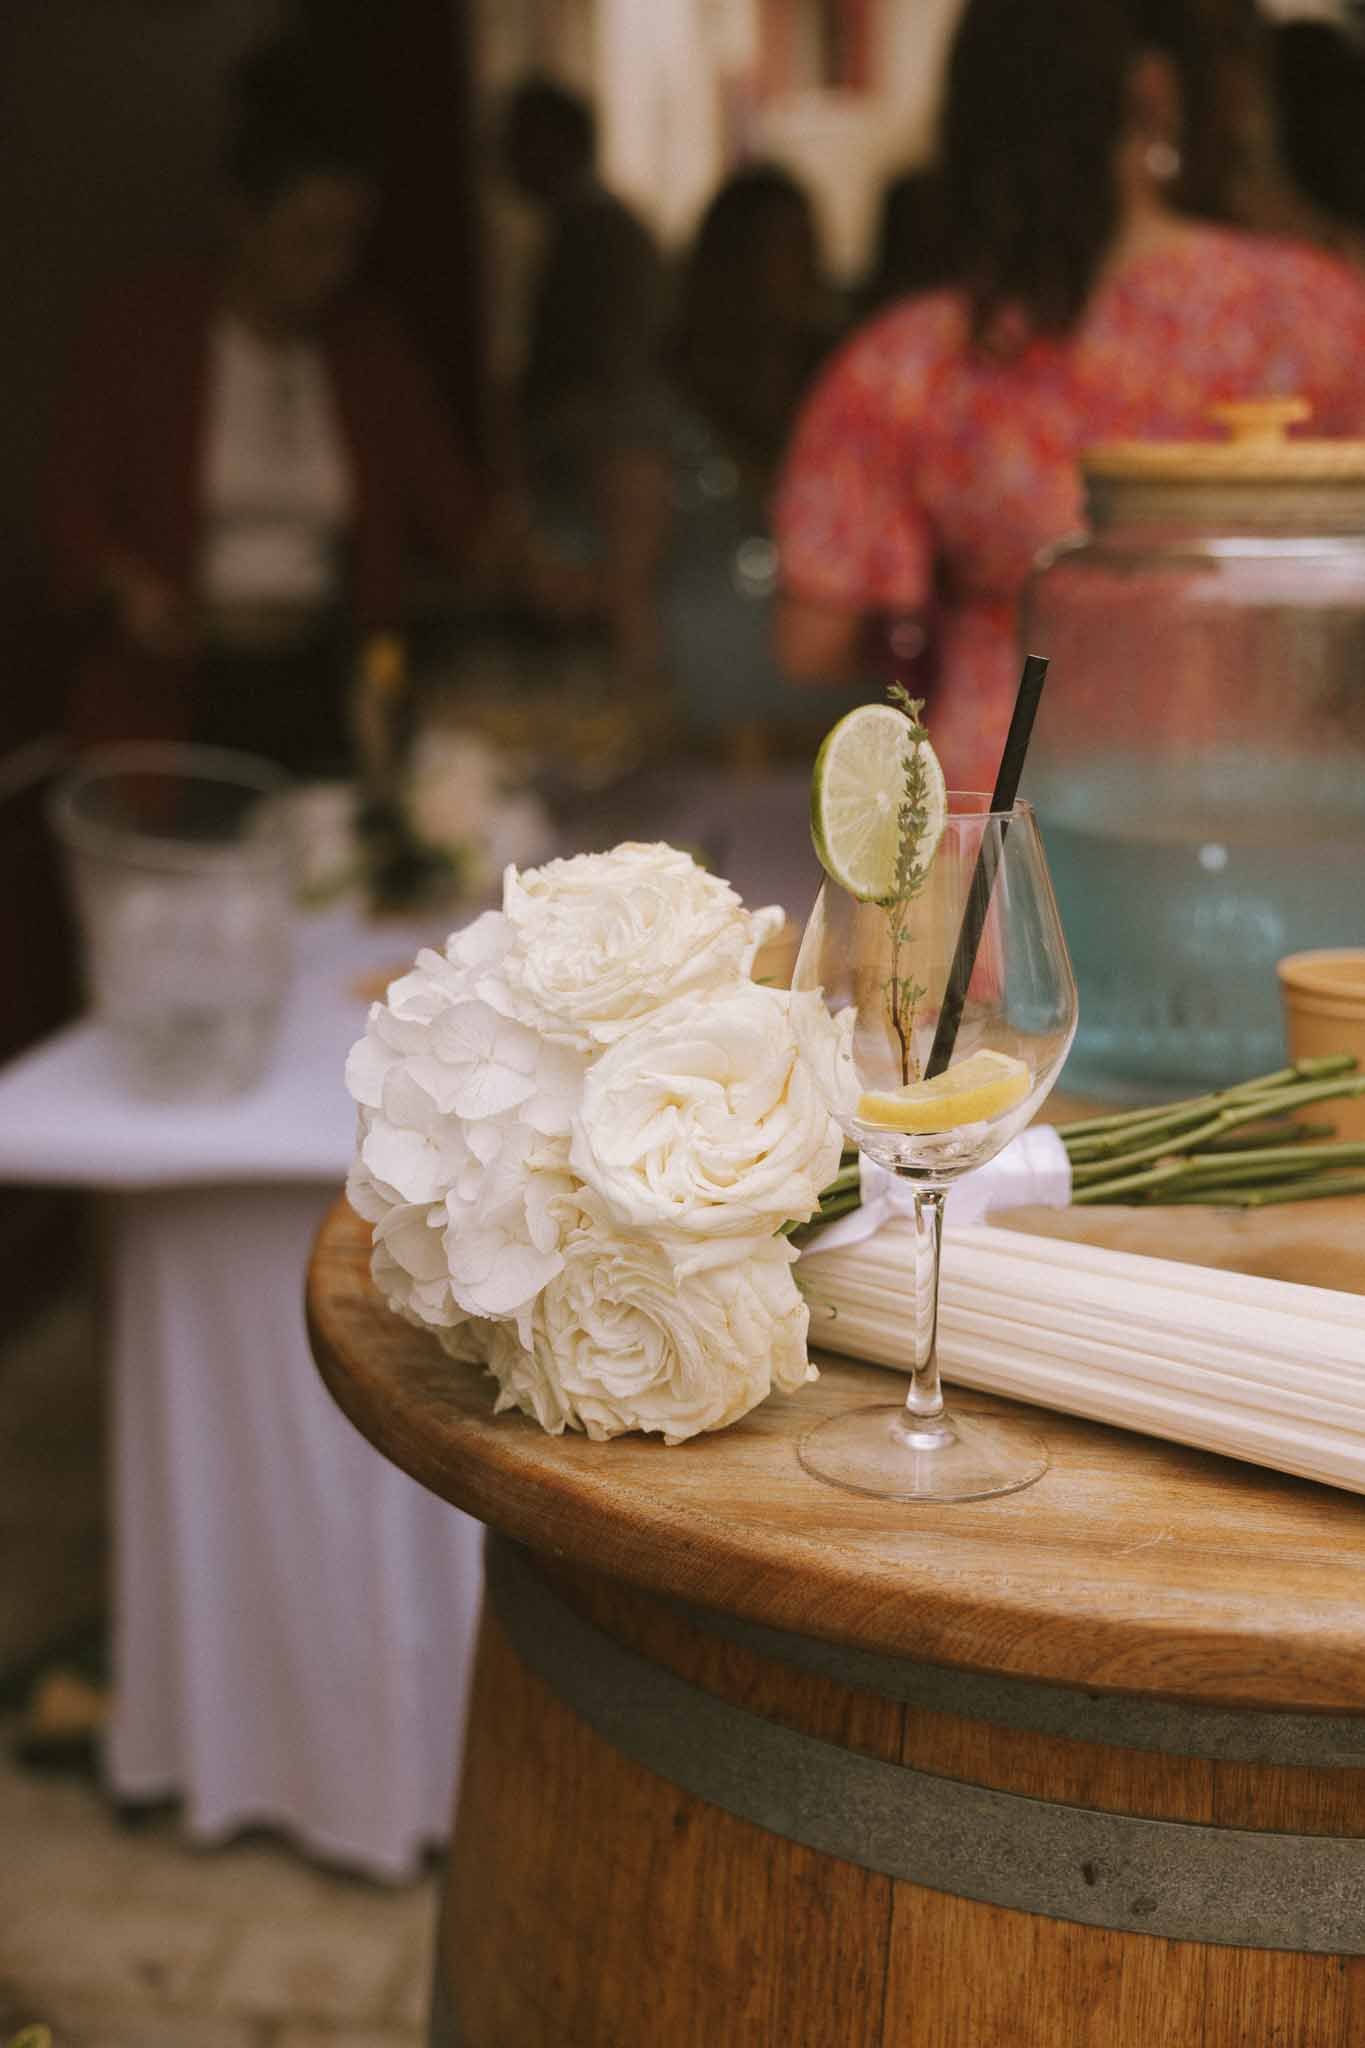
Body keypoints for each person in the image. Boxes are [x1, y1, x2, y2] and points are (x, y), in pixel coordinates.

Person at [773, 0, 1365, 790]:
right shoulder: (1316, 313)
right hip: (1256, 794)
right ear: (1155, 95)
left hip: (999, 807)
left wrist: (976, 611)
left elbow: (812, 641)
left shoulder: (913, 359)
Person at [46, 36, 480, 779]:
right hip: (182, 687)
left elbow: (451, 510)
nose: (330, 269)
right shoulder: (146, 336)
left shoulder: (368, 351)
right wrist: (130, 590)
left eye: (348, 244)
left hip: (324, 678)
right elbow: (65, 514)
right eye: (308, 240)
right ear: (242, 220)